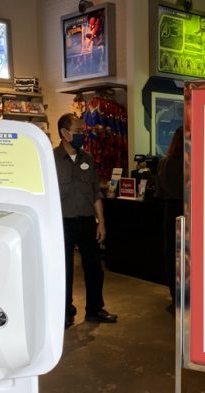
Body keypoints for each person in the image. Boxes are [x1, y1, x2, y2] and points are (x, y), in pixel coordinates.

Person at [55, 113, 117, 327]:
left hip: (87, 222)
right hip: (62, 224)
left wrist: (102, 222)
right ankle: (64, 312)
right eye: (78, 131)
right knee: (64, 270)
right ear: (64, 133)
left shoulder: (88, 159)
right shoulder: (51, 159)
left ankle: (94, 309)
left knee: (94, 268)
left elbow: (95, 194)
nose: (82, 135)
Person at [155, 126, 184, 301]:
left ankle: (175, 293)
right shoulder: (192, 163)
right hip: (188, 210)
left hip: (169, 210)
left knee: (171, 253)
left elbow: (158, 191)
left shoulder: (164, 162)